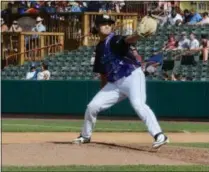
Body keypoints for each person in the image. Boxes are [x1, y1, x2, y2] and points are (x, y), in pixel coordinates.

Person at [72, 14, 169, 149]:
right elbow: (103, 74)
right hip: (115, 83)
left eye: (109, 23)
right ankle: (85, 135)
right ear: (96, 26)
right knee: (92, 106)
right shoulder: (99, 48)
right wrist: (103, 94)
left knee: (138, 104)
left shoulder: (114, 39)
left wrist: (138, 36)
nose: (107, 25)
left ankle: (159, 135)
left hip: (132, 76)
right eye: (103, 23)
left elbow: (128, 40)